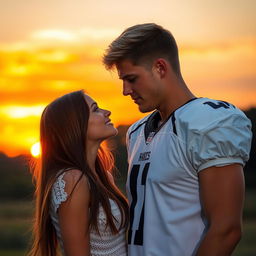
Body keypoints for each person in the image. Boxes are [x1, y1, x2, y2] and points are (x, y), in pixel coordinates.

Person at [103, 23, 252, 256]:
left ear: (160, 67)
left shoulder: (208, 121)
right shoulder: (137, 132)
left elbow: (226, 230)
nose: (125, 90)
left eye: (132, 79)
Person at [28, 90, 129, 256]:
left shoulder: (104, 176)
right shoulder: (73, 180)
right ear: (75, 124)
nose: (107, 112)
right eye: (96, 109)